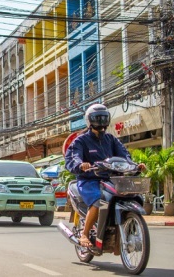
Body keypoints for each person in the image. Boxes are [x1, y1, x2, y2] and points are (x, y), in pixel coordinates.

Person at [64, 103, 145, 248]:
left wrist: (134, 165)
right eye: (97, 118)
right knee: (99, 200)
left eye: (103, 118)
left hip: (111, 179)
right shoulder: (81, 140)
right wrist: (81, 165)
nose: (101, 122)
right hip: (89, 180)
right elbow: (74, 157)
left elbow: (125, 155)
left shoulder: (111, 139)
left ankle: (128, 229)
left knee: (136, 196)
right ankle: (85, 234)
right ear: (89, 120)